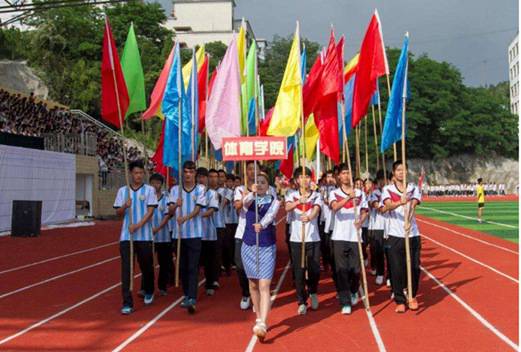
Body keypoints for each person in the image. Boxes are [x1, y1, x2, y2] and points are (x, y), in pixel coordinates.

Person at [113, 160, 158, 315]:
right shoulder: (123, 191)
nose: (138, 176)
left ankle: (149, 289)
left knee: (146, 266)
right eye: (135, 173)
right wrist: (125, 206)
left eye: (141, 173)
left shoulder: (149, 190)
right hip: (127, 237)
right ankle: (127, 302)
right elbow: (117, 213)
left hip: (144, 236)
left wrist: (138, 225)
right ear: (131, 174)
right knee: (127, 270)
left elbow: (151, 211)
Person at [241, 171, 280, 341]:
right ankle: (258, 316)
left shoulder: (274, 201)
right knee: (253, 284)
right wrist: (252, 192)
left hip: (266, 244)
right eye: (257, 182)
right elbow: (244, 203)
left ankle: (263, 322)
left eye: (263, 182)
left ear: (268, 185)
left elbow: (271, 216)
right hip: (249, 244)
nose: (260, 184)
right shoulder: (249, 199)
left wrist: (262, 224)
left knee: (264, 284)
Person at [382, 160, 422, 313]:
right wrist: (399, 202)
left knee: (414, 267)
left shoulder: (413, 188)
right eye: (398, 170)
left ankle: (412, 295)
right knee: (396, 268)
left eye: (403, 169)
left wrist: (409, 221)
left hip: (412, 233)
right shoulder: (387, 189)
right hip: (395, 234)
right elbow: (387, 206)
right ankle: (400, 299)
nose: (401, 172)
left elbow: (413, 205)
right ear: (394, 173)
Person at [168, 161, 207, 314]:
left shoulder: (200, 189)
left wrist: (185, 218)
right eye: (186, 172)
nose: (188, 175)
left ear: (195, 173)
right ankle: (186, 294)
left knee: (193, 266)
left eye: (191, 172)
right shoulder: (175, 190)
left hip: (194, 234)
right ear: (182, 173)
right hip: (179, 235)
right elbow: (170, 210)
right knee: (182, 266)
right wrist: (175, 205)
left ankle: (192, 297)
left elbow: (198, 209)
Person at [329, 164, 369, 315]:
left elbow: (365, 211)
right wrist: (348, 198)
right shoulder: (334, 193)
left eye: (349, 173)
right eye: (344, 173)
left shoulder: (360, 193)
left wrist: (361, 220)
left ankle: (353, 291)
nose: (346, 176)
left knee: (355, 269)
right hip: (339, 236)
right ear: (339, 176)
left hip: (355, 236)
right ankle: (345, 301)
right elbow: (334, 207)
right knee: (341, 270)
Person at [285, 166, 323, 315]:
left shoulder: (316, 195)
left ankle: (313, 291)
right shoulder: (291, 194)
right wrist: (298, 202)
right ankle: (301, 301)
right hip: (296, 239)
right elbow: (287, 207)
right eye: (301, 177)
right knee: (299, 271)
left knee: (314, 269)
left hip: (313, 238)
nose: (304, 180)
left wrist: (310, 217)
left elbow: (316, 209)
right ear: (296, 180)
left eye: (307, 177)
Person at [234, 161, 256, 310]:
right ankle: (246, 293)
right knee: (240, 266)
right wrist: (247, 196)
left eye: (255, 169)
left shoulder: (268, 190)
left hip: (259, 235)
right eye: (249, 169)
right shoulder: (239, 189)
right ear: (245, 172)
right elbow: (237, 207)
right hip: (242, 233)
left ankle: (257, 296)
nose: (252, 171)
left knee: (257, 267)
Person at [149, 173, 173, 296]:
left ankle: (162, 286)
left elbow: (168, 215)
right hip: (148, 236)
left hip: (163, 236)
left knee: (164, 263)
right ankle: (147, 287)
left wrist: (157, 228)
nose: (155, 185)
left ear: (161, 184)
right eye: (153, 183)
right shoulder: (147, 197)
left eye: (158, 183)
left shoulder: (166, 198)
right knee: (147, 262)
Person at [198, 168, 220, 296]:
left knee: (209, 261)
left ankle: (210, 283)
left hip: (209, 233)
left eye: (203, 177)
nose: (201, 179)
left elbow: (211, 210)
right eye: (199, 177)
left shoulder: (212, 193)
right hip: (194, 234)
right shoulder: (192, 193)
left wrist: (196, 215)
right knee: (195, 261)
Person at [368, 170, 386, 286]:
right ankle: (380, 273)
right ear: (378, 181)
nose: (383, 182)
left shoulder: (391, 191)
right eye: (381, 180)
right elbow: (374, 204)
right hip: (378, 226)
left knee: (390, 253)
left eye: (385, 180)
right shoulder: (374, 193)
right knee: (378, 251)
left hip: (390, 226)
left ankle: (389, 276)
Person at [223, 173, 238, 275]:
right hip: (227, 221)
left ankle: (234, 261)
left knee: (234, 242)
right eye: (227, 181)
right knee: (227, 243)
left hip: (236, 220)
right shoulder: (225, 192)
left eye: (231, 181)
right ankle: (227, 263)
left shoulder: (237, 192)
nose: (229, 183)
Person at [215, 169, 230, 276]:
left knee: (226, 247)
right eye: (218, 176)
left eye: (222, 176)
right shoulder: (208, 190)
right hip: (213, 224)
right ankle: (218, 267)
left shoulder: (227, 191)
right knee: (216, 248)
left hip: (225, 222)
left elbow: (223, 204)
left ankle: (227, 265)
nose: (219, 179)